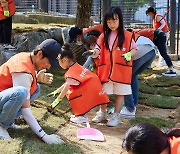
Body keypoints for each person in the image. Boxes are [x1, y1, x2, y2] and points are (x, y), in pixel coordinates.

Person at [0, 39, 64, 144]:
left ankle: (8, 121)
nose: (49, 67)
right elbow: (26, 111)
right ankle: (2, 125)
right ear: (39, 54)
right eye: (49, 62)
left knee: (35, 88)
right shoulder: (23, 71)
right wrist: (44, 136)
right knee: (21, 93)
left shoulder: (25, 56)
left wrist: (36, 79)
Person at [91, 6, 138, 127]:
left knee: (120, 93)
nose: (112, 24)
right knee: (104, 92)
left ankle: (116, 115)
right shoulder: (103, 36)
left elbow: (134, 49)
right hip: (106, 70)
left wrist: (129, 54)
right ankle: (102, 112)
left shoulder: (127, 35)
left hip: (121, 70)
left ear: (120, 20)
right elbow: (98, 49)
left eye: (114, 21)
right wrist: (94, 52)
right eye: (109, 22)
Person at [48, 43, 109, 124]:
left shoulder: (71, 73)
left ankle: (81, 116)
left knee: (72, 93)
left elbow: (67, 86)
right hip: (96, 87)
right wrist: (57, 91)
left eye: (59, 62)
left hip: (91, 89)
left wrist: (57, 100)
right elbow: (68, 83)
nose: (59, 64)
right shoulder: (76, 66)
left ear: (65, 60)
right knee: (74, 88)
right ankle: (83, 115)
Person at [120, 31, 156, 118]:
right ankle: (134, 104)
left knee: (124, 78)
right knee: (133, 76)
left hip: (140, 49)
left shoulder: (113, 36)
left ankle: (129, 109)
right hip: (152, 50)